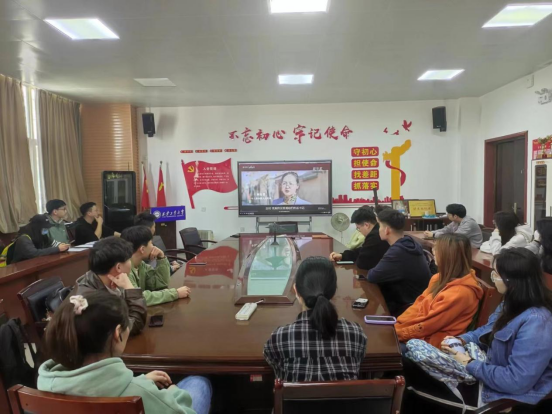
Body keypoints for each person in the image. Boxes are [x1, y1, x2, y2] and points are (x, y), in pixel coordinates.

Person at [402, 248, 552, 410]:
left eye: (496, 274)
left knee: (408, 379)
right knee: (405, 362)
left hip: (494, 395)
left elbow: (516, 382)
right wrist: (461, 340)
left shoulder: (537, 322)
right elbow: (486, 330)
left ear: (513, 282)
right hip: (484, 374)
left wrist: (469, 363)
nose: (493, 278)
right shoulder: (511, 303)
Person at [38, 291, 212, 414]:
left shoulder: (46, 384)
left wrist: (138, 381)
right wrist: (173, 391)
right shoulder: (139, 394)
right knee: (199, 383)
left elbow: (92, 387)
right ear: (117, 333)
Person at [264, 257, 367, 382]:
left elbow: (277, 370)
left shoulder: (279, 338)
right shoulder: (356, 334)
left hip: (296, 396)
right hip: (345, 396)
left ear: (296, 291)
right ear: (334, 291)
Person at [395, 234, 483, 348]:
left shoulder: (460, 293)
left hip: (432, 345)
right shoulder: (438, 278)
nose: (433, 251)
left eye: (437, 249)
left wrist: (397, 333)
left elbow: (428, 326)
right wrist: (397, 324)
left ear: (449, 256)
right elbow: (417, 306)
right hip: (419, 336)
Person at [70, 237, 147, 335]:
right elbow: (133, 326)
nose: (130, 263)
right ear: (118, 267)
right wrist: (130, 289)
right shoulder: (93, 302)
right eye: (129, 259)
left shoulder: (103, 277)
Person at [367, 209, 432, 316]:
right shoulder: (409, 242)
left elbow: (372, 276)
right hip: (419, 303)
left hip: (408, 309)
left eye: (380, 226)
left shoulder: (397, 252)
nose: (378, 230)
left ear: (387, 230)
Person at [121, 226, 190, 306]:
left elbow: (161, 283)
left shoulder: (141, 265)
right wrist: (175, 293)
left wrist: (161, 257)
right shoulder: (124, 269)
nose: (154, 246)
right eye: (151, 243)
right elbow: (139, 298)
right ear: (142, 249)